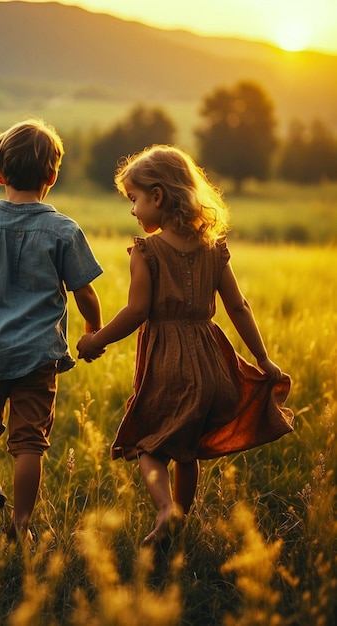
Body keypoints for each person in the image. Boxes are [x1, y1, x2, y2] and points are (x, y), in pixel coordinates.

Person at [77, 145, 294, 544]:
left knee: (148, 443)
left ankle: (165, 509)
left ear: (157, 196)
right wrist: (262, 358)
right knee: (187, 449)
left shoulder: (147, 251)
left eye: (135, 199)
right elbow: (238, 306)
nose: (133, 210)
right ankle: (182, 518)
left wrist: (96, 339)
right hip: (211, 362)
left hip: (168, 363)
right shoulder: (214, 248)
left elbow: (137, 311)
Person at [0, 118, 103, 542]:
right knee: (29, 443)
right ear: (52, 176)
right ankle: (21, 524)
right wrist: (93, 329)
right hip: (38, 355)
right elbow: (85, 292)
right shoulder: (65, 231)